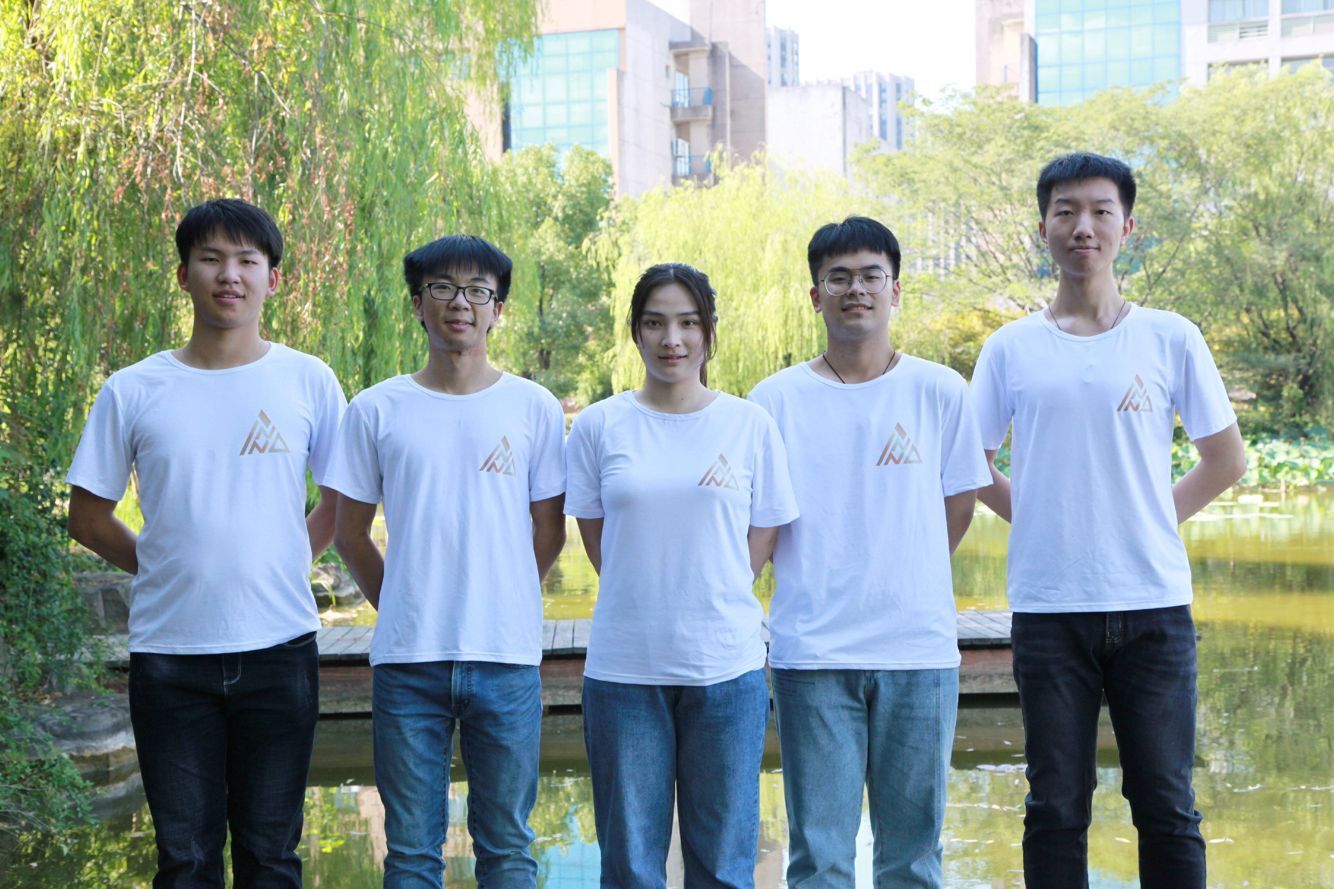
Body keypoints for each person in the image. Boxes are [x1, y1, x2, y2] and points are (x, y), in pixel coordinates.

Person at [970, 152, 1247, 889]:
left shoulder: (1170, 336)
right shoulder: (1010, 347)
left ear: (1128, 227)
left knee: (1167, 804)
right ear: (1043, 229)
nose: (1082, 226)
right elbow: (970, 464)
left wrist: (1148, 519)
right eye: (1065, 211)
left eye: (1100, 211)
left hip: (1153, 607)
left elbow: (1225, 458)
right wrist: (1038, 519)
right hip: (1049, 611)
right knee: (1055, 806)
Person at [66, 199, 347, 887]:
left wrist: (288, 559)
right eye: (211, 259)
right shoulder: (134, 389)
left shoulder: (308, 379)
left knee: (271, 857)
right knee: (185, 859)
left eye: (247, 260)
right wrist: (166, 565)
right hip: (171, 657)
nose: (230, 275)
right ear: (183, 275)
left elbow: (343, 501)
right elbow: (88, 516)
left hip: (280, 649)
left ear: (273, 279)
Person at [747, 216, 990, 887]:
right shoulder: (774, 401)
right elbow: (760, 521)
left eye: (871, 276)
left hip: (918, 651)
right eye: (839, 278)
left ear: (896, 290)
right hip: (813, 653)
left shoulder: (940, 389)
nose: (856, 290)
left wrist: (907, 567)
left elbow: (959, 503)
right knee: (819, 856)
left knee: (912, 856)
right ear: (815, 295)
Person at [327, 235, 566, 888]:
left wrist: (505, 593)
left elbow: (550, 530)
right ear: (417, 304)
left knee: (508, 848)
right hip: (408, 663)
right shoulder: (375, 409)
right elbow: (350, 534)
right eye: (443, 288)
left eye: (478, 290)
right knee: (410, 852)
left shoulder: (534, 407)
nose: (461, 302)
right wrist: (405, 601)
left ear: (497, 309)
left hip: (506, 658)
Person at [564, 263, 798, 889]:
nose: (673, 339)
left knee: (723, 864)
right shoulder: (599, 425)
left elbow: (766, 528)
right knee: (631, 865)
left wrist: (715, 588)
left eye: (688, 323)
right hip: (624, 670)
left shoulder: (748, 424)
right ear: (635, 331)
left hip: (725, 667)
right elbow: (596, 535)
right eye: (656, 323)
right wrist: (646, 590)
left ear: (709, 331)